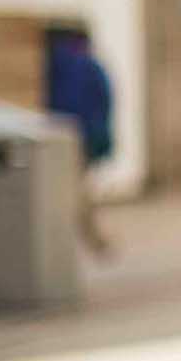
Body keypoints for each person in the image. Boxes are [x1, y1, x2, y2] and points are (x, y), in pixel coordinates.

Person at [44, 26, 115, 257]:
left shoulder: (56, 65)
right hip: (78, 138)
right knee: (79, 192)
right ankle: (94, 241)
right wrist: (101, 141)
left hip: (57, 136)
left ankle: (89, 240)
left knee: (75, 191)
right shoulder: (89, 67)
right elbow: (103, 106)